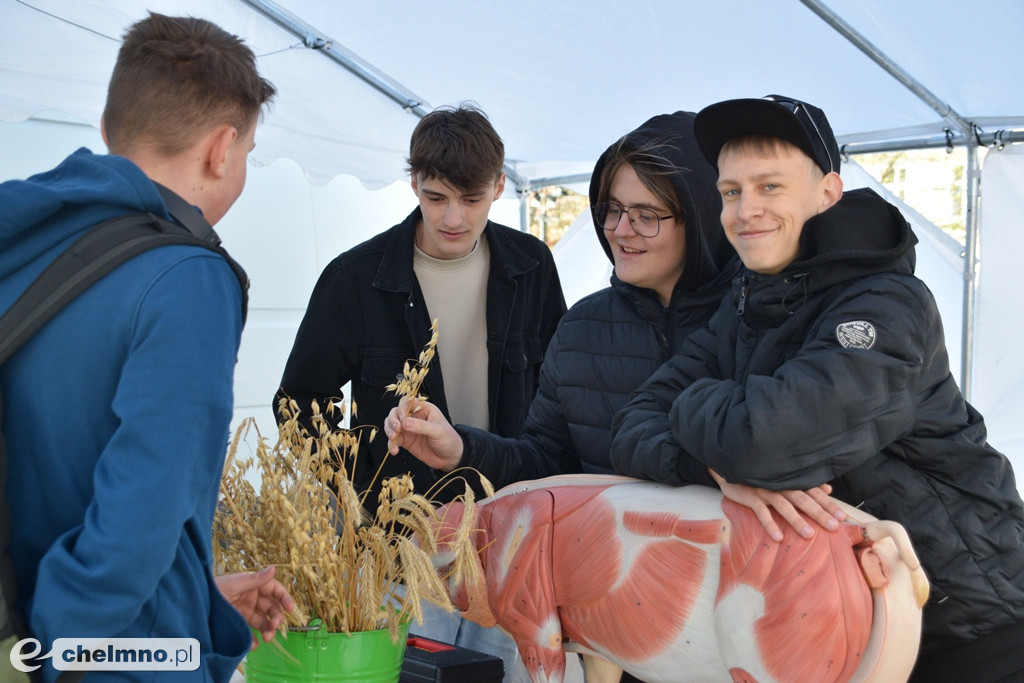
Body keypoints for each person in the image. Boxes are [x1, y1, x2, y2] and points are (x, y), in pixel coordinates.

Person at [609, 94, 1024, 682]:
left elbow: (767, 441)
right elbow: (631, 426)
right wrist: (714, 467)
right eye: (731, 191)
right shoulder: (745, 302)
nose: (746, 209)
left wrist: (698, 409)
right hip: (842, 625)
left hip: (969, 626)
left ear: (828, 194)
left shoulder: (886, 303)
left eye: (770, 187)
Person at [0, 13, 293, 682]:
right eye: (248, 152)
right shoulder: (187, 277)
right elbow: (143, 507)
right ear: (222, 149)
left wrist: (190, 596)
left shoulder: (28, 241)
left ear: (109, 129)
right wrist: (60, 652)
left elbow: (52, 468)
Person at [275, 103, 565, 682]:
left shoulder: (531, 265)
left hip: (507, 534)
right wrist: (364, 488)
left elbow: (558, 399)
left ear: (499, 187)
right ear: (413, 183)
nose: (453, 217)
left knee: (497, 676)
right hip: (400, 547)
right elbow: (297, 409)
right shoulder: (354, 278)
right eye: (436, 198)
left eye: (472, 199)